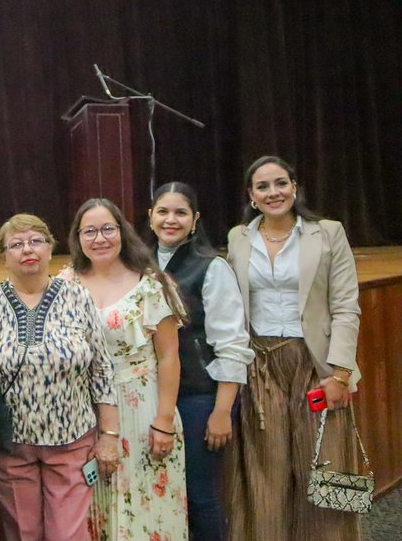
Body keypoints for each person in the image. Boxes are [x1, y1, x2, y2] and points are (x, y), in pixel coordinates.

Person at [225, 156, 363, 541]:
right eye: (263, 187)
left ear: (295, 187)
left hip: (316, 365)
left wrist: (340, 373)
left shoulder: (327, 232)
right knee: (266, 470)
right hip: (260, 365)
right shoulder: (239, 238)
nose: (274, 193)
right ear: (252, 196)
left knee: (326, 465)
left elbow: (346, 306)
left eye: (280, 183)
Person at [0, 213, 120, 541]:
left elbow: (101, 366)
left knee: (67, 535)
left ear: (51, 248)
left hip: (72, 440)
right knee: (23, 534)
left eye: (36, 241)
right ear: (2, 256)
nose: (28, 249)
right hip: (11, 444)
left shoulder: (77, 296)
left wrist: (109, 434)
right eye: (16, 244)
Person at [57, 198, 188, 541]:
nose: (100, 239)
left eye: (107, 229)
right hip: (82, 413)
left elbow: (169, 358)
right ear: (77, 238)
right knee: (88, 512)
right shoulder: (64, 284)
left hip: (141, 408)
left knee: (146, 514)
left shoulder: (150, 286)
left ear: (122, 232)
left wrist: (164, 420)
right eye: (90, 231)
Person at [146, 182, 254, 541]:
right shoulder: (137, 264)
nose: (170, 220)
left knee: (198, 494)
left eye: (180, 212)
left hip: (198, 396)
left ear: (195, 220)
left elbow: (232, 345)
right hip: (150, 396)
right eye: (163, 211)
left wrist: (222, 410)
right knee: (158, 492)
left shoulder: (212, 267)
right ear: (150, 217)